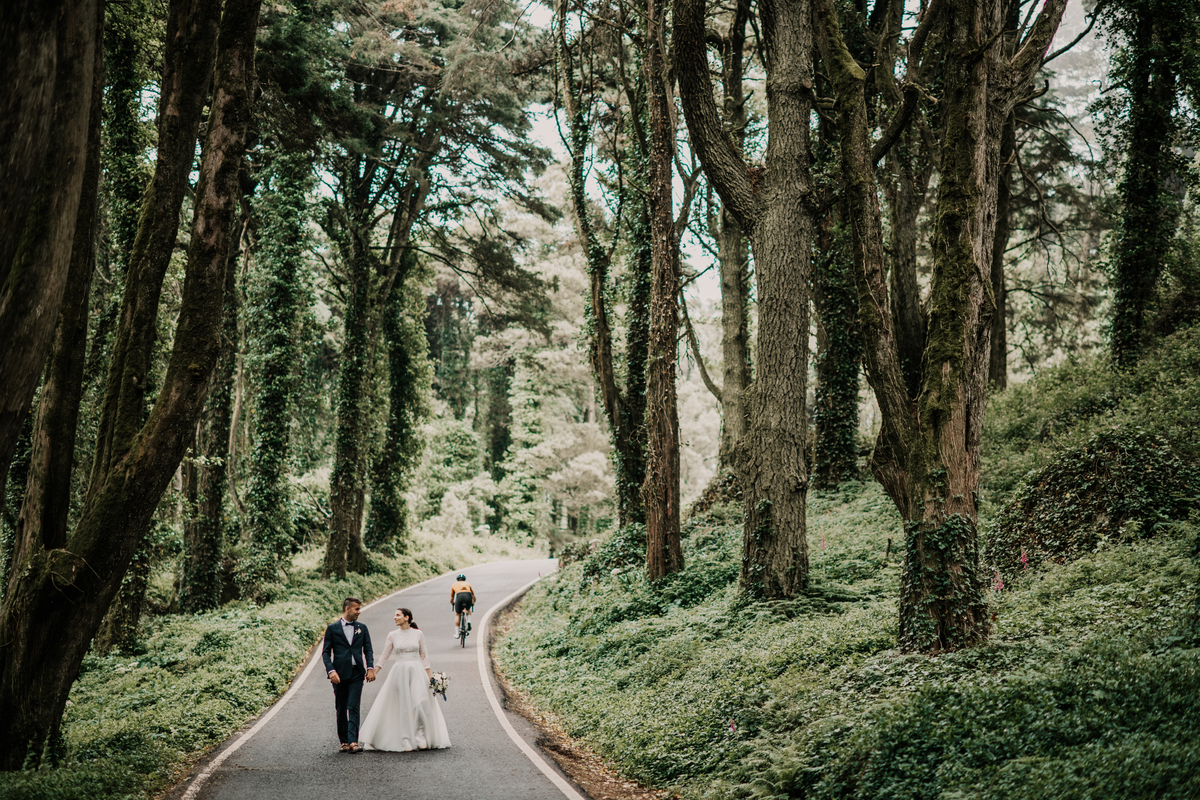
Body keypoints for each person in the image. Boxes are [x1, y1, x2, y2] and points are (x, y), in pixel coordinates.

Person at [358, 608, 451, 752]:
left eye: (397, 615)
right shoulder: (392, 635)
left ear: (406, 617)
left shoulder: (418, 633)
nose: (394, 617)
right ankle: (405, 740)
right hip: (399, 672)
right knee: (404, 707)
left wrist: (430, 677)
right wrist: (374, 671)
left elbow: (424, 655)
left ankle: (420, 736)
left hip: (417, 671)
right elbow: (385, 655)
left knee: (420, 702)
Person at [322, 597, 376, 754]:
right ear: (348, 609)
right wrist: (331, 671)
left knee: (353, 706)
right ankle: (344, 741)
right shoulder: (332, 628)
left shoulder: (362, 628)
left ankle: (353, 741)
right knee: (341, 707)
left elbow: (368, 649)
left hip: (356, 674)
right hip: (338, 674)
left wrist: (370, 667)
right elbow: (325, 653)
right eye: (357, 609)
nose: (359, 612)